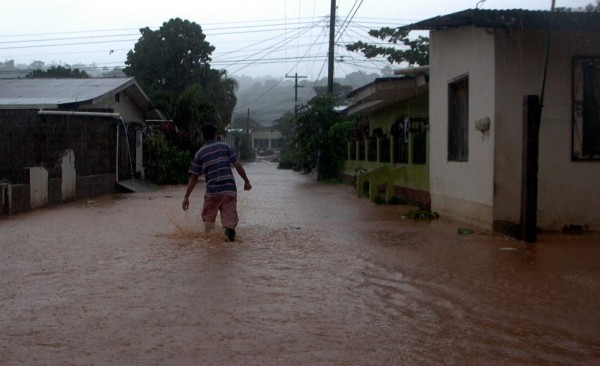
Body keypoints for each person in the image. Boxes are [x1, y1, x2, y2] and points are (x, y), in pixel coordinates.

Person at [182, 124, 252, 242]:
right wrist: (246, 182)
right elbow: (238, 165)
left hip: (212, 192)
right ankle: (229, 245)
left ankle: (211, 247)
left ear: (203, 137)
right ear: (216, 134)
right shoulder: (226, 147)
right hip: (228, 191)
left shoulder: (200, 153)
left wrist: (186, 197)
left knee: (208, 225)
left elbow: (194, 178)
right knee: (229, 223)